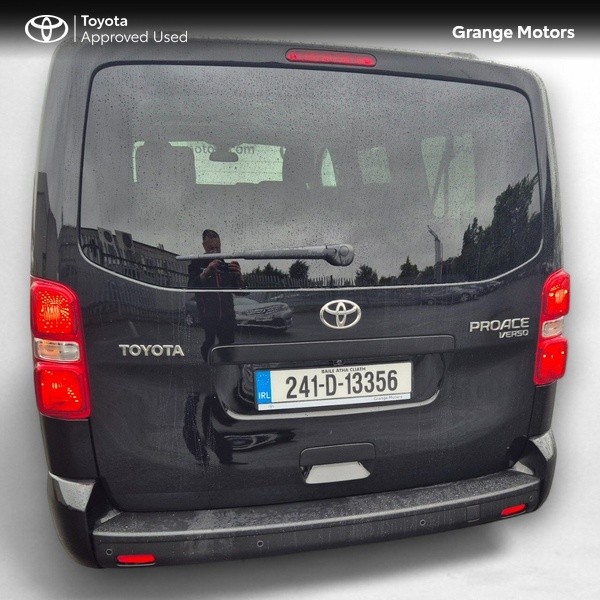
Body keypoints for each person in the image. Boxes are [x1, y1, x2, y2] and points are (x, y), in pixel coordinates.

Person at [188, 230, 244, 362]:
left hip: (227, 316)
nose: (215, 251)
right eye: (211, 248)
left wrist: (239, 276)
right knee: (209, 343)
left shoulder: (226, 266)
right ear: (204, 246)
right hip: (208, 315)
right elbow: (191, 287)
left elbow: (241, 292)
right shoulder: (196, 264)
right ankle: (208, 365)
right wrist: (206, 273)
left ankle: (226, 367)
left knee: (228, 346)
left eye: (217, 248)